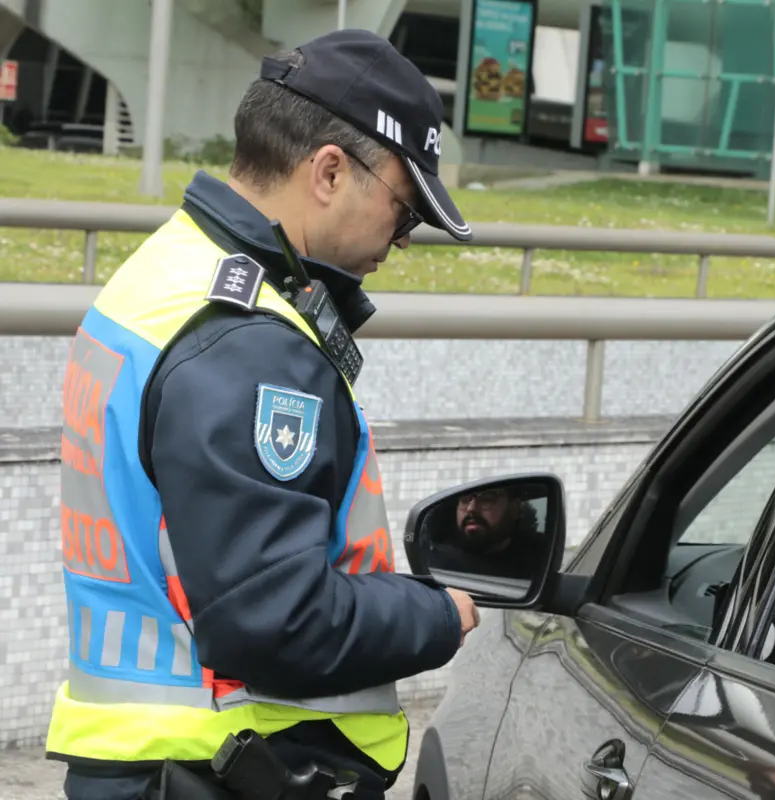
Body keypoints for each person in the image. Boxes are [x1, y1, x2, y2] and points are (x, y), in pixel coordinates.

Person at [46, 28, 480, 800]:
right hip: (226, 768)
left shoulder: (168, 272)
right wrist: (437, 615)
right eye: (404, 211)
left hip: (146, 764)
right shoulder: (253, 346)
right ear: (330, 170)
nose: (402, 241)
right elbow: (275, 620)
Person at [420, 486, 547, 579]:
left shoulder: (539, 554)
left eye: (486, 498)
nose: (471, 509)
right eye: (465, 499)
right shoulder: (439, 559)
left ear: (514, 509)